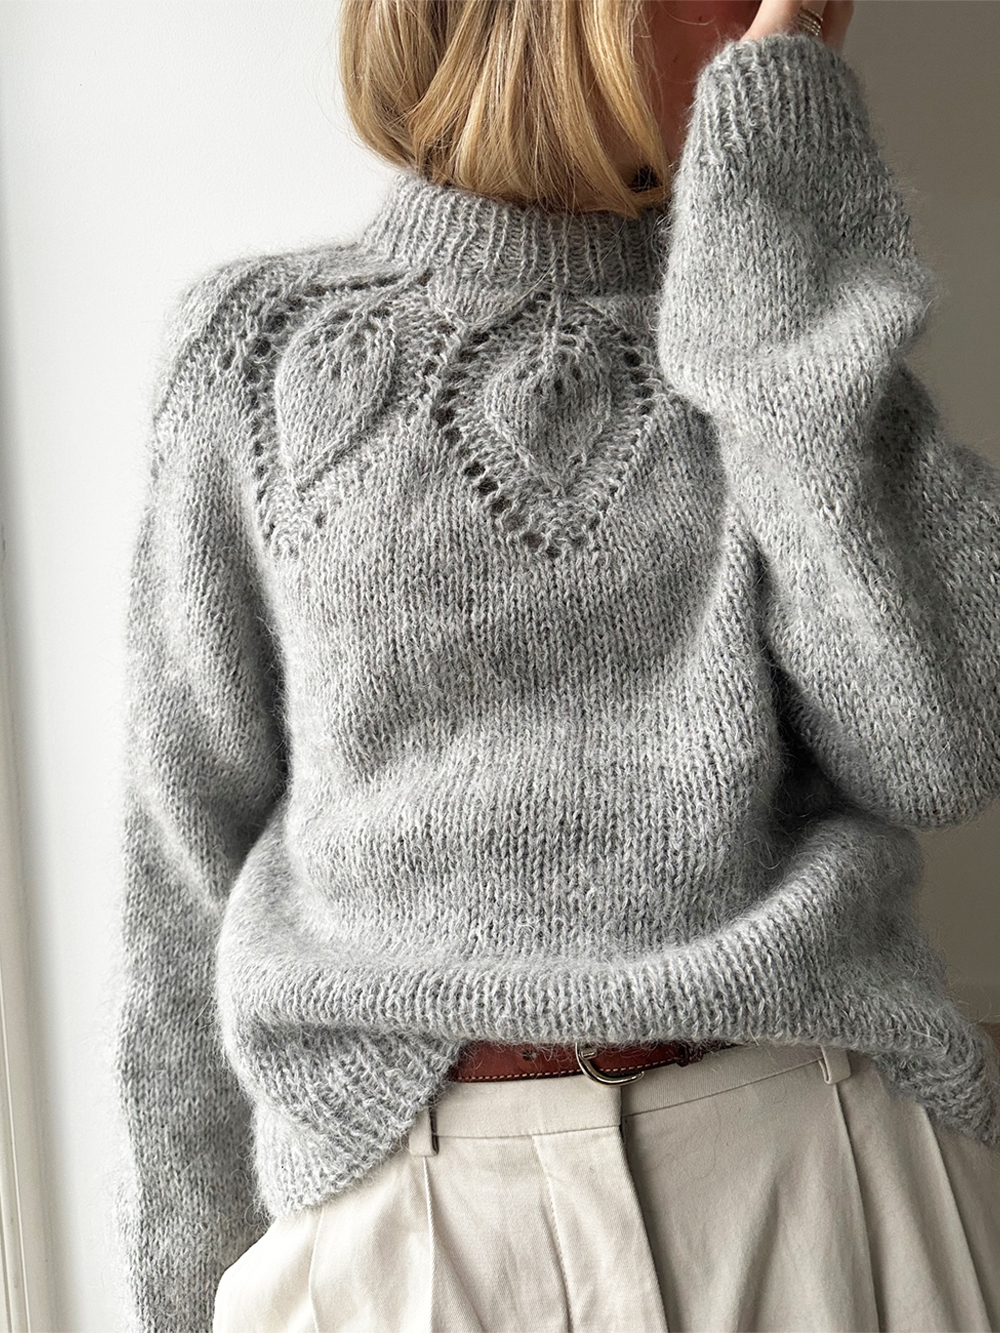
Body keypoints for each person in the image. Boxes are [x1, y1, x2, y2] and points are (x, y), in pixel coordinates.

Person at [113, 1, 1000, 1330]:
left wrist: (778, 227)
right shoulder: (255, 356)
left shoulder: (783, 335)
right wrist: (176, 1297)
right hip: (410, 1233)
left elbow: (941, 742)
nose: (795, 16)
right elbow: (178, 876)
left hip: (817, 1177)